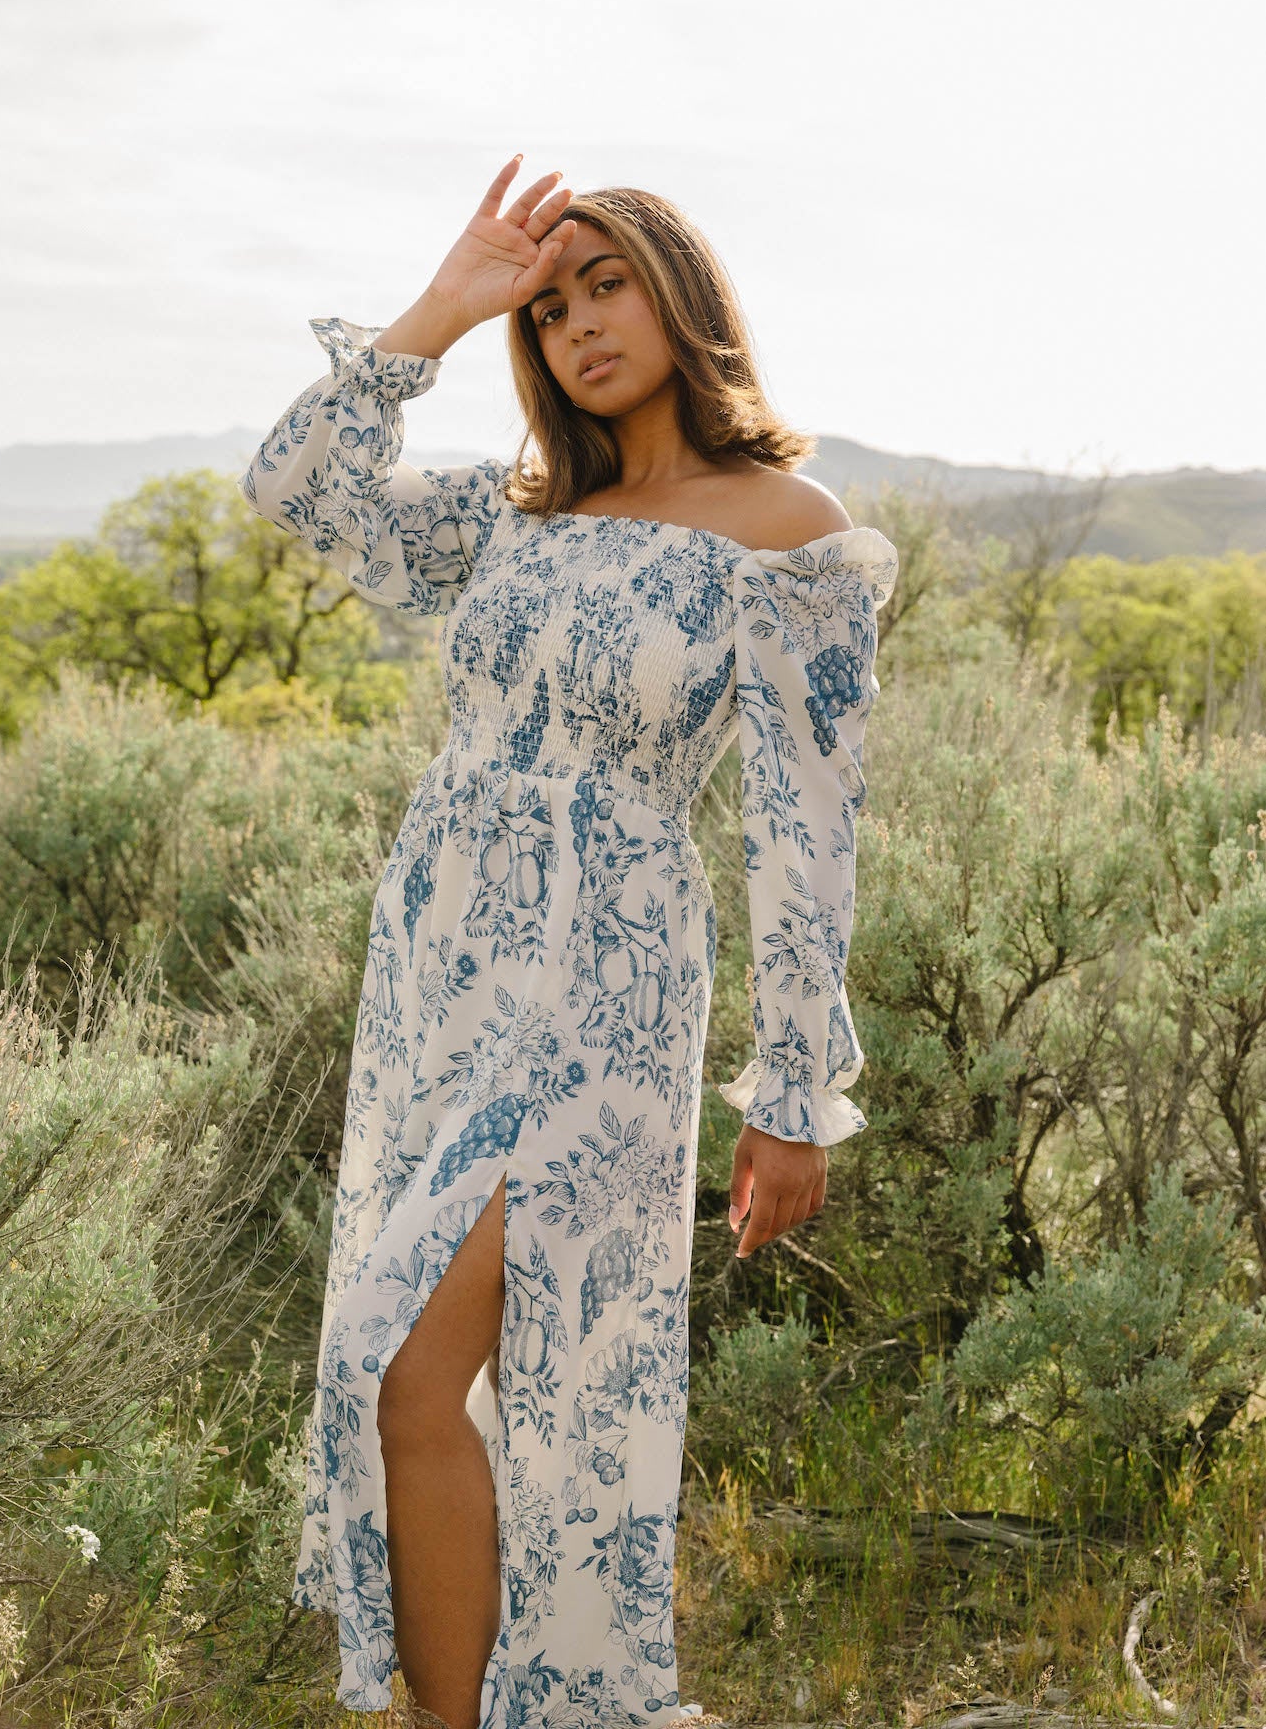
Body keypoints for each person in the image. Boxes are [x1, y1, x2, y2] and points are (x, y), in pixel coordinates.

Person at [238, 155, 899, 1729]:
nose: (579, 324)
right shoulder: (517, 513)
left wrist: (793, 1094)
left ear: (680, 293)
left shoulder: (786, 537)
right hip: (442, 966)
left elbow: (807, 841)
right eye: (551, 305)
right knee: (418, 1390)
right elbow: (295, 487)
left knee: (407, 1368)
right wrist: (446, 309)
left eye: (605, 284)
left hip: (605, 982)